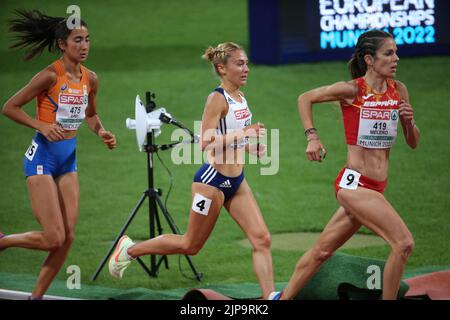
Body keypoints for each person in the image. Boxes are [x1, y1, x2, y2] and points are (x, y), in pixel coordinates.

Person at [108, 42, 275, 299]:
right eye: (239, 64)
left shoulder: (240, 96)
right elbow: (206, 141)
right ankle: (129, 250)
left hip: (237, 181)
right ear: (222, 68)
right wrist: (244, 133)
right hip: (212, 183)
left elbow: (228, 136)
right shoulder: (217, 98)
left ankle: (269, 299)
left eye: (247, 63)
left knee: (262, 239)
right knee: (190, 245)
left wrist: (249, 147)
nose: (246, 69)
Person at [269, 30, 420, 300]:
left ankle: (281, 299)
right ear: (369, 60)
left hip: (376, 188)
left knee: (322, 252)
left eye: (396, 52)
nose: (396, 58)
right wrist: (312, 138)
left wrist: (408, 122)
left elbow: (413, 142)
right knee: (403, 243)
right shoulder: (352, 90)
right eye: (389, 53)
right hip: (355, 184)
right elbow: (305, 98)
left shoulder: (400, 90)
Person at [0, 9, 116, 300]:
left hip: (68, 160)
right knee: (53, 237)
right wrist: (40, 124)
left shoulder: (91, 78)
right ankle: (3, 241)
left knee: (67, 238)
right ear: (63, 44)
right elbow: (9, 106)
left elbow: (90, 115)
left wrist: (101, 131)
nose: (85, 46)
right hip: (42, 159)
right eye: (78, 40)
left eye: (88, 40)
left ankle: (35, 297)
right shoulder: (50, 75)